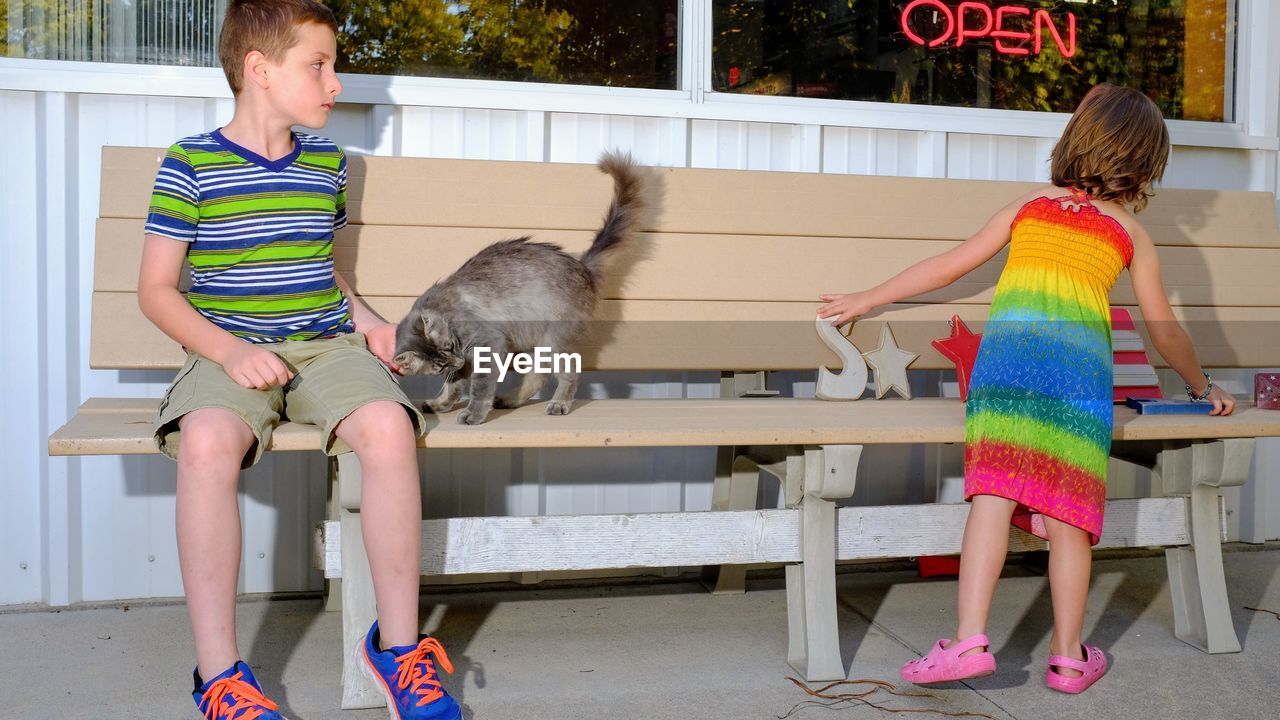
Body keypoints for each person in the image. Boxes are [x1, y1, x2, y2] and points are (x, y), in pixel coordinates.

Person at [817, 83, 1235, 695]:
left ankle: (968, 641)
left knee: (991, 497)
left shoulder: (1029, 207)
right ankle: (1068, 659)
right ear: (1145, 165)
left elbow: (950, 264)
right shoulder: (1128, 235)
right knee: (1068, 516)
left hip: (1006, 370)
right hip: (1077, 381)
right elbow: (1164, 331)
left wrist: (868, 297)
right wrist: (1202, 389)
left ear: (1074, 140)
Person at [137, 2, 460, 717]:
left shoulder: (326, 164)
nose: (335, 83)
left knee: (389, 428)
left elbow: (327, 276)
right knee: (206, 443)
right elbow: (156, 291)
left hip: (324, 347)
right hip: (228, 350)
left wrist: (373, 325)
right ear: (259, 70)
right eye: (319, 64)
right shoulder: (191, 163)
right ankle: (220, 678)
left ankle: (400, 651)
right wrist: (228, 350)